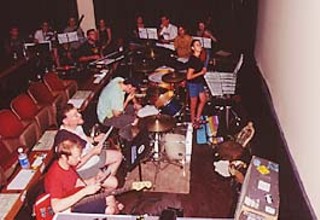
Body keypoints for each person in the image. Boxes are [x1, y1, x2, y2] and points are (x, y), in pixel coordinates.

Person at [45, 138, 124, 214]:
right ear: (64, 157)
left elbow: (75, 184)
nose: (79, 159)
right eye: (76, 157)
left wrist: (92, 181)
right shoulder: (55, 175)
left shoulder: (68, 164)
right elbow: (55, 207)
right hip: (69, 207)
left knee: (109, 197)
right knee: (110, 209)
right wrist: (85, 191)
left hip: (77, 198)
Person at [53, 104, 123, 189]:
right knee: (114, 183)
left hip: (93, 155)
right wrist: (92, 153)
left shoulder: (76, 126)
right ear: (65, 121)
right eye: (75, 115)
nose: (80, 115)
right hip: (83, 167)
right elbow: (75, 165)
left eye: (78, 112)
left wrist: (94, 139)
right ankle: (108, 194)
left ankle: (105, 187)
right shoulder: (65, 139)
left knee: (118, 156)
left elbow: (83, 139)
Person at [186, 39, 207, 129]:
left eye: (200, 44)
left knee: (203, 100)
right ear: (192, 48)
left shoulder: (199, 58)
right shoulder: (193, 60)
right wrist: (201, 73)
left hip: (199, 82)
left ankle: (198, 118)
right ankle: (193, 123)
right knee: (193, 105)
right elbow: (188, 77)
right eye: (197, 45)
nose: (200, 46)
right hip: (193, 84)